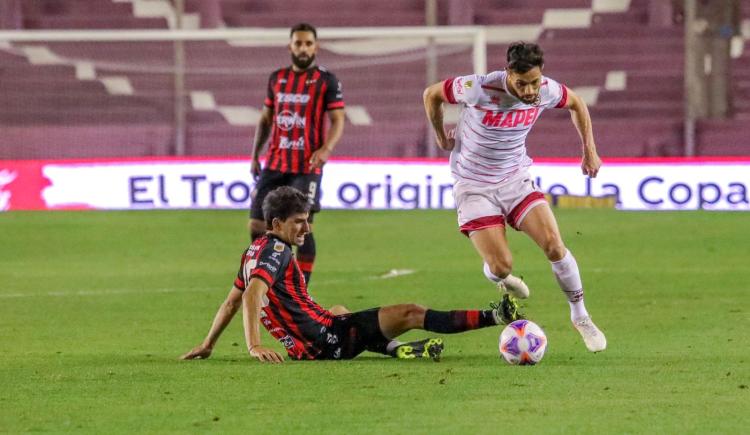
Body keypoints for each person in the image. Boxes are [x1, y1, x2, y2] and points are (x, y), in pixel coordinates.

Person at [181, 186, 521, 363]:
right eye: (298, 221)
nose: (306, 227)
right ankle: (496, 315)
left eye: (307, 219)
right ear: (275, 225)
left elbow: (230, 303)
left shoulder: (252, 252)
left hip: (306, 347)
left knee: (341, 309)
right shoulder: (278, 251)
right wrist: (254, 345)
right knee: (411, 312)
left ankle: (395, 349)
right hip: (327, 338)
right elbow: (254, 294)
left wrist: (208, 344)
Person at [422, 42, 607, 352]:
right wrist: (441, 136)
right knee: (501, 265)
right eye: (521, 83)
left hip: (515, 179)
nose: (529, 89)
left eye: (534, 81)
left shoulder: (546, 90)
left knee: (554, 244)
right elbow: (431, 94)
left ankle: (581, 316)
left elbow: (577, 103)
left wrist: (589, 150)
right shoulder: (478, 87)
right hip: (473, 185)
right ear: (507, 74)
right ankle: (501, 277)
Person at [249, 22, 345, 284]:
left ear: (316, 47)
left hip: (306, 166)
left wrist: (326, 149)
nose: (303, 48)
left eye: (308, 43)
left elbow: (338, 119)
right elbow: (266, 119)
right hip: (275, 161)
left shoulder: (326, 80)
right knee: (258, 225)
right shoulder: (277, 78)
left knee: (302, 227)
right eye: (298, 43)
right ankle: (268, 277)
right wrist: (255, 154)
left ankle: (299, 290)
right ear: (290, 46)